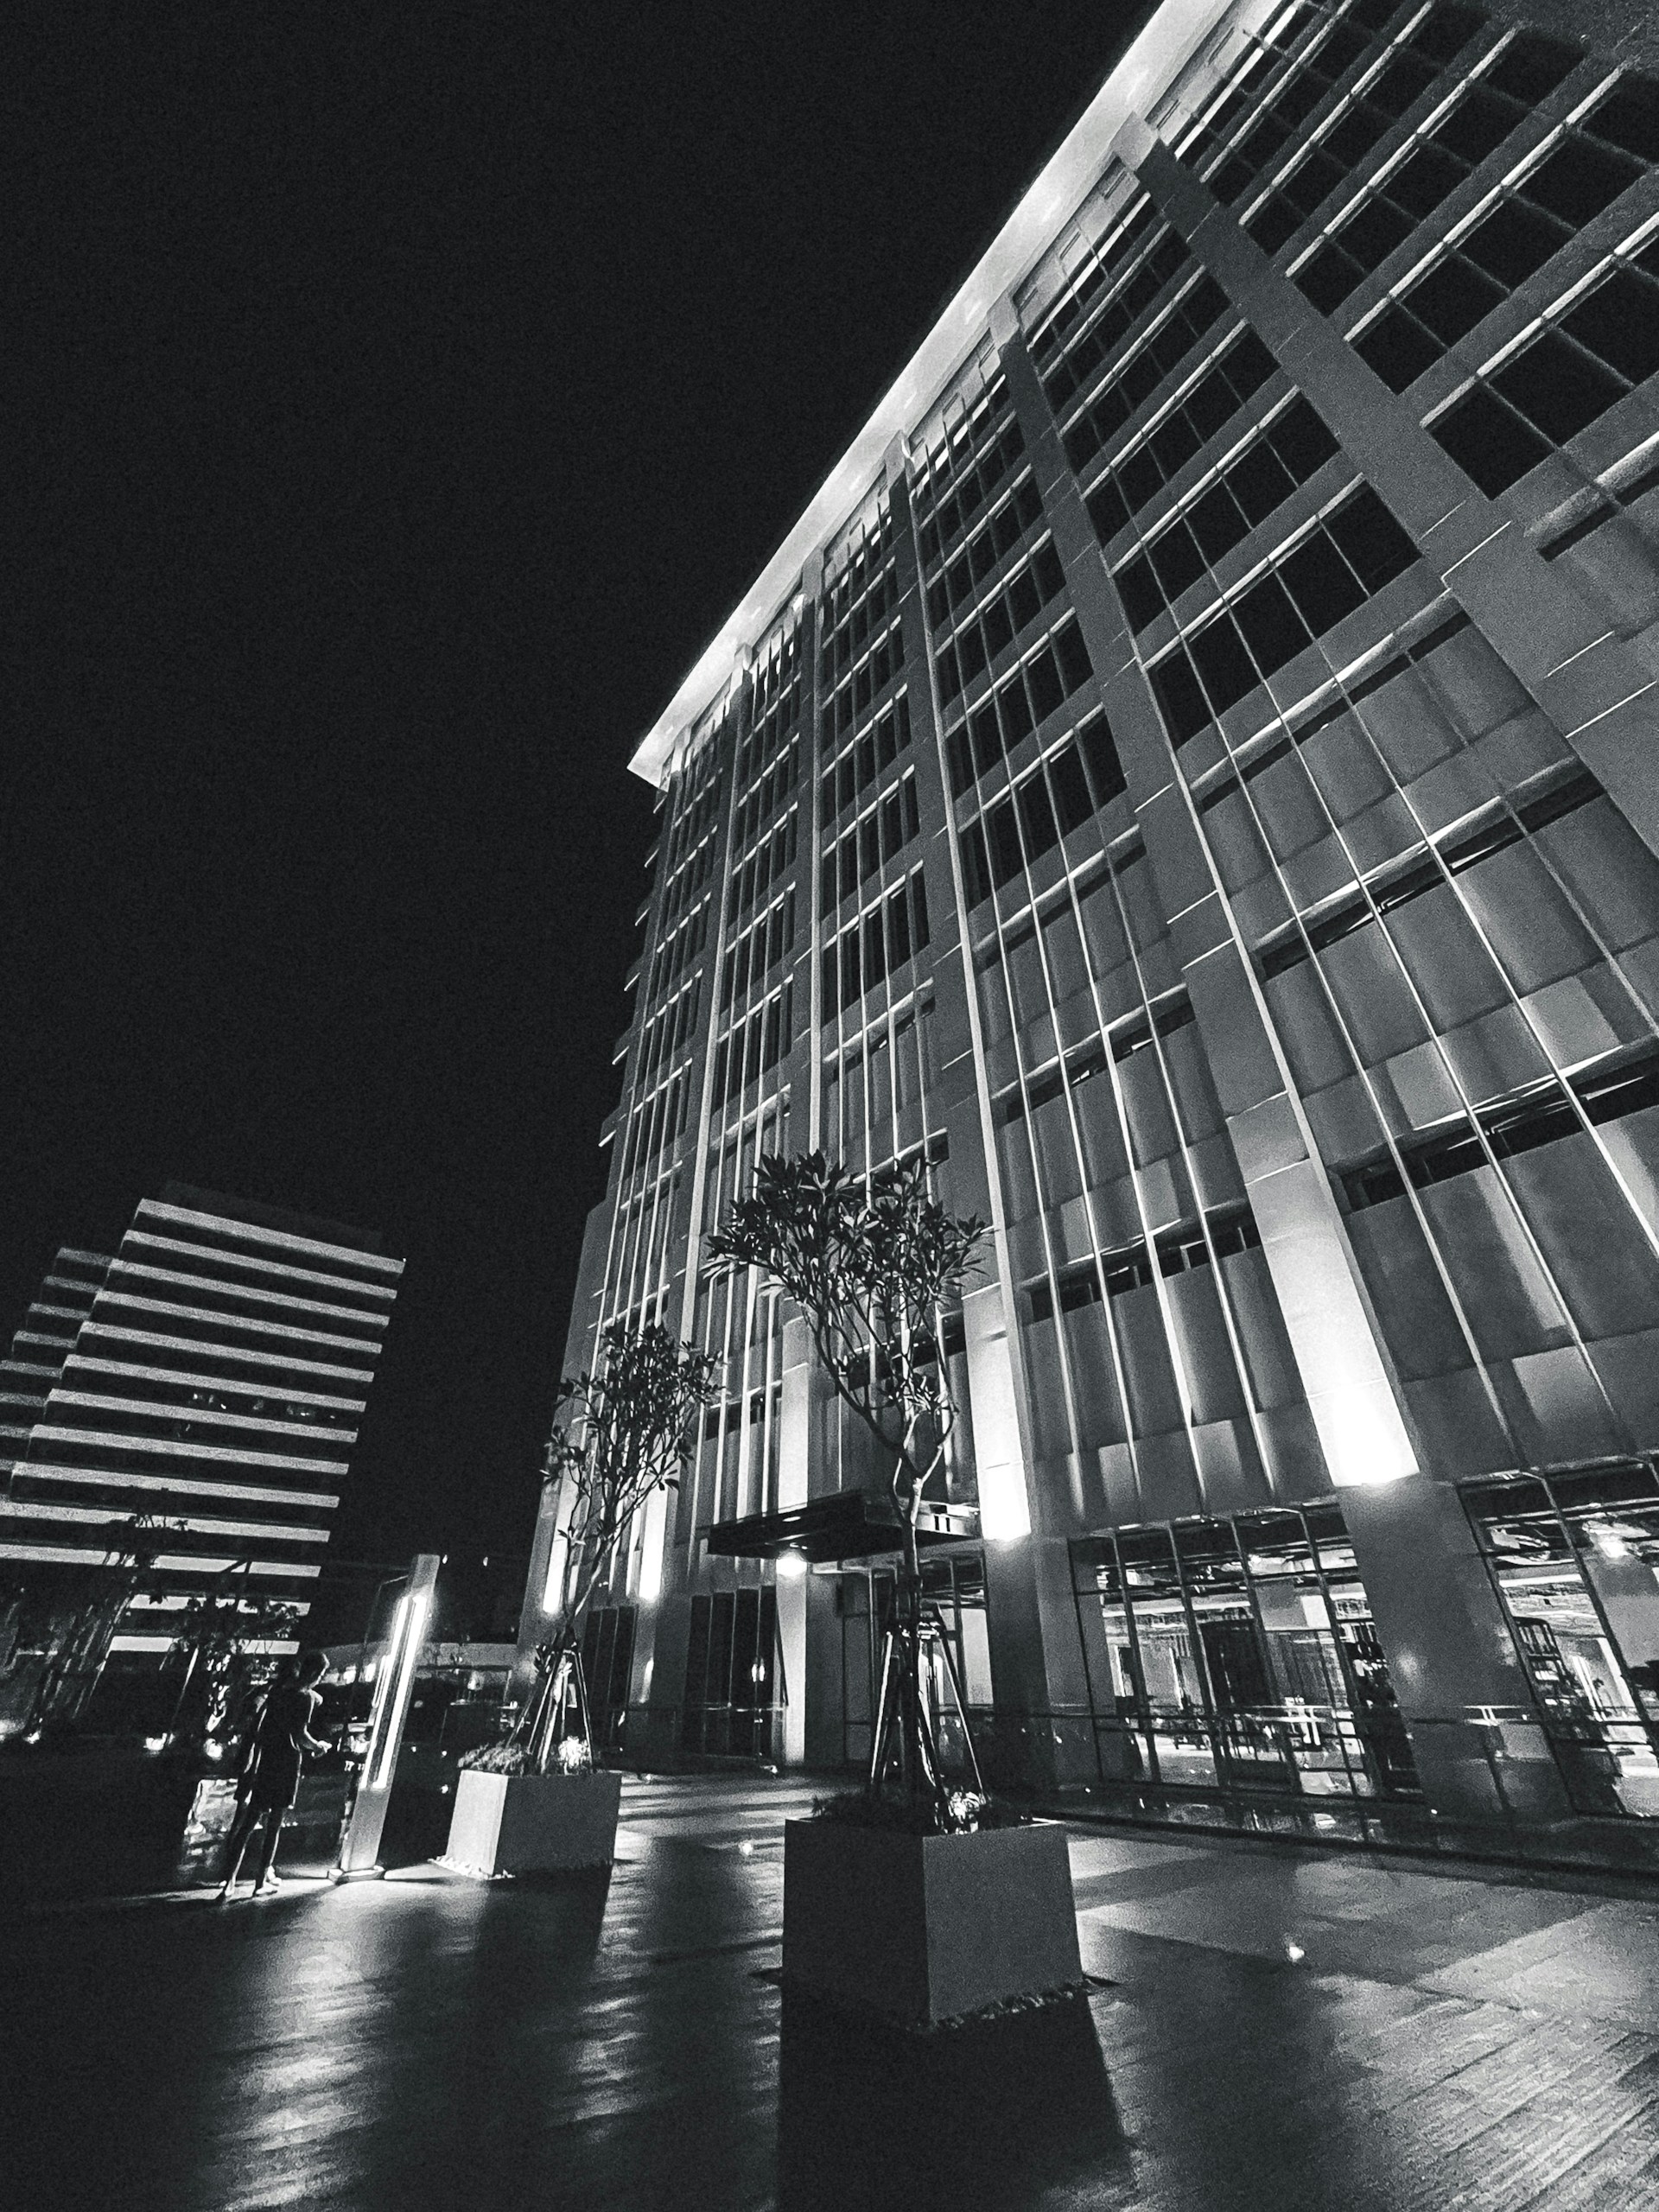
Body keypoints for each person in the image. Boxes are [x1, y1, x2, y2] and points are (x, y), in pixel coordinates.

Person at [217, 1650, 331, 1898]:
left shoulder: (278, 1692)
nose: (321, 1679)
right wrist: (319, 1746)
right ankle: (259, 1883)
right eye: (321, 1674)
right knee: (274, 1825)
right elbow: (300, 1734)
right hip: (287, 1761)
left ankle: (229, 1882)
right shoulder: (306, 1698)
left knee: (249, 1822)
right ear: (313, 1673)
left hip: (266, 1758)